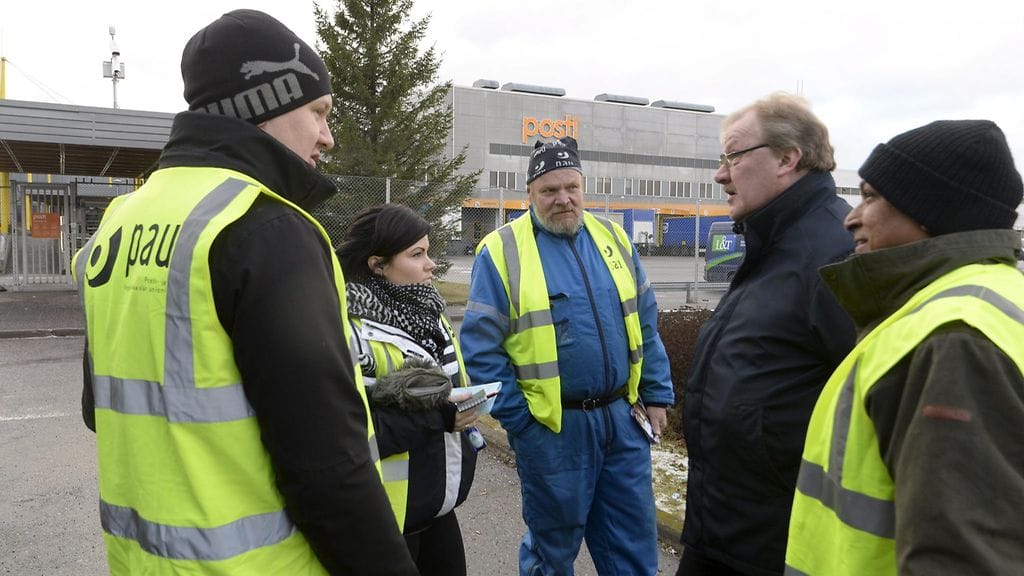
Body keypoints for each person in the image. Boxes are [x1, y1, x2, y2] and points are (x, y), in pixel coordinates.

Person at [71, 10, 416, 575]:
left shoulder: (119, 220)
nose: (328, 135)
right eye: (319, 111)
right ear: (268, 102)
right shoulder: (266, 228)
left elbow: (99, 409)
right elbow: (328, 467)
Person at [786, 119, 1024, 575]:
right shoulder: (978, 299)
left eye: (872, 197)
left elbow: (961, 558)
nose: (851, 216)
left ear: (931, 213)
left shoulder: (954, 337)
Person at [460, 135, 675, 575]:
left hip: (622, 420)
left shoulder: (613, 238)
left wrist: (656, 393)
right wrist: (523, 424)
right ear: (530, 194)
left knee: (633, 549)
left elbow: (645, 324)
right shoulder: (501, 252)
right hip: (554, 430)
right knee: (552, 553)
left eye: (571, 188)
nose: (563, 200)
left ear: (583, 187)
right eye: (549, 190)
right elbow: (480, 351)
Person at [679, 93, 856, 576]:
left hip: (776, 541)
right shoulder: (774, 242)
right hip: (724, 527)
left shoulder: (835, 254)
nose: (720, 174)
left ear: (786, 158)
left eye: (733, 156)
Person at [336, 204, 480, 576]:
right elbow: (347, 438)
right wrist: (440, 416)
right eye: (417, 255)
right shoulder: (347, 330)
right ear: (377, 265)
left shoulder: (428, 310)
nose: (431, 264)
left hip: (439, 511)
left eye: (428, 251)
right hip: (384, 525)